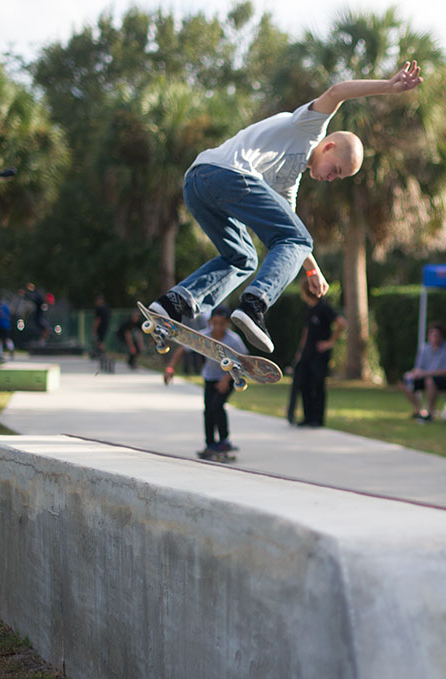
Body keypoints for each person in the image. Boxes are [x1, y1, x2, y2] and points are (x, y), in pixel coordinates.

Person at [146, 61, 424, 354]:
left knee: (242, 258)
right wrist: (387, 87)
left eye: (337, 177)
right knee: (295, 239)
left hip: (197, 183)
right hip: (226, 175)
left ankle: (173, 304)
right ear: (329, 147)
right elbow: (337, 91)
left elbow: (290, 229)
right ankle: (254, 305)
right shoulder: (309, 128)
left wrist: (312, 270)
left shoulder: (289, 179)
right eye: (336, 169)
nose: (331, 178)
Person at [163, 305, 246, 460]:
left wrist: (226, 378)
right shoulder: (204, 337)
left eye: (222, 323)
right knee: (208, 410)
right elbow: (183, 349)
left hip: (231, 377)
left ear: (228, 323)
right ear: (210, 322)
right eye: (215, 323)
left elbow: (243, 363)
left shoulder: (233, 340)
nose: (218, 327)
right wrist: (170, 367)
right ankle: (210, 443)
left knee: (217, 406)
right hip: (209, 377)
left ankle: (224, 441)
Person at [288, 289, 346, 428]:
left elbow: (341, 323)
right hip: (307, 352)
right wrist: (300, 351)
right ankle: (308, 417)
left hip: (320, 355)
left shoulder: (324, 307)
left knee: (317, 385)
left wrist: (330, 342)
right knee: (304, 384)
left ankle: (318, 419)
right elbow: (306, 330)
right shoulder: (309, 308)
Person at [402, 322, 446, 422]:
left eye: (436, 335)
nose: (434, 338)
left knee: (430, 381)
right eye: (431, 335)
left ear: (441, 336)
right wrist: (413, 374)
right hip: (426, 377)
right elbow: (418, 367)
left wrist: (425, 373)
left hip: (445, 380)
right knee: (405, 380)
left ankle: (430, 413)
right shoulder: (425, 348)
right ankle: (418, 410)